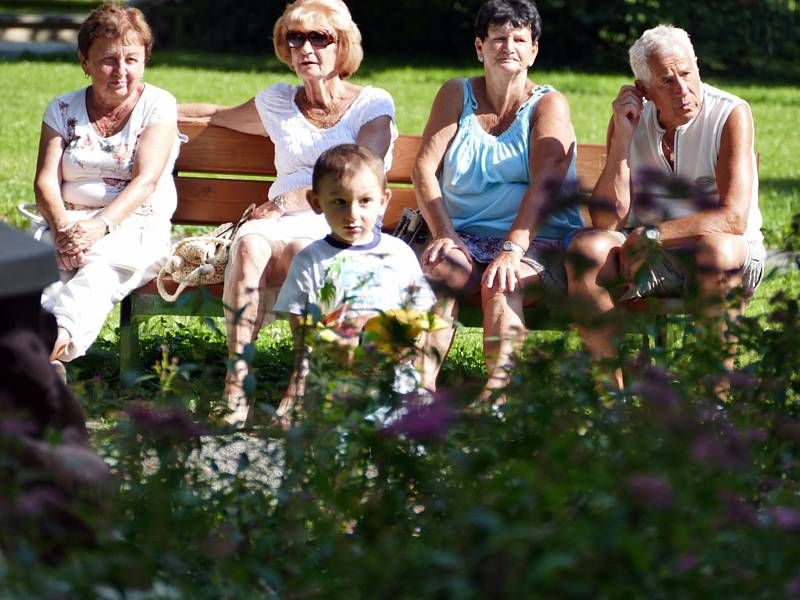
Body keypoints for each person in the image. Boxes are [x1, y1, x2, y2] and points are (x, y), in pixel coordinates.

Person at [178, 0, 397, 425]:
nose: (306, 48)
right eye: (295, 38)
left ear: (343, 46)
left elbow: (355, 178)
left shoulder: (372, 104)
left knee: (304, 247)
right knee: (250, 245)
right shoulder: (278, 102)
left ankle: (301, 386)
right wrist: (148, 105)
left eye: (319, 37)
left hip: (338, 219)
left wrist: (283, 203)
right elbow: (217, 116)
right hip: (272, 222)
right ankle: (237, 385)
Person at [565, 25, 765, 389]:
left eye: (687, 74)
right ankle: (609, 399)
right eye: (667, 82)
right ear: (643, 90)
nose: (683, 90)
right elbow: (608, 219)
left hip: (728, 252)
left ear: (697, 67)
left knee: (717, 250)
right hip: (648, 254)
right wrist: (623, 141)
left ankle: (711, 402)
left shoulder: (731, 114)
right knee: (587, 249)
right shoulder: (629, 121)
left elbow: (733, 219)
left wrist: (656, 234)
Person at [412, 0, 583, 398]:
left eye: (519, 39)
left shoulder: (548, 104)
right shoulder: (456, 93)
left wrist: (512, 247)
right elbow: (423, 169)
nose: (508, 46)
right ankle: (419, 392)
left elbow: (547, 182)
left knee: (501, 284)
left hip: (537, 239)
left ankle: (498, 395)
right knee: (440, 270)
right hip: (463, 235)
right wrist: (444, 233)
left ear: (534, 50)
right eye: (498, 38)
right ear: (479, 47)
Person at [34, 2, 181, 372]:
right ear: (85, 61)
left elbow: (146, 180)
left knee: (97, 274)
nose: (121, 71)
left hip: (132, 227)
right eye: (108, 60)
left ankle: (37, 359)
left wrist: (97, 228)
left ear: (145, 58)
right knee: (35, 281)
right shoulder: (62, 108)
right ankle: (37, 360)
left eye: (131, 59)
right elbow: (45, 180)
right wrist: (63, 228)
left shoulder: (157, 106)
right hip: (64, 224)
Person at [272, 144, 436, 426]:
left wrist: (402, 340)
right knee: (336, 449)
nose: (353, 214)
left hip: (394, 378)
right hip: (336, 379)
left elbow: (422, 317)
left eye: (364, 201)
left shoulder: (399, 254)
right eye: (339, 201)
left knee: (403, 447)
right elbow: (303, 333)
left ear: (383, 201)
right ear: (315, 202)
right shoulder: (310, 261)